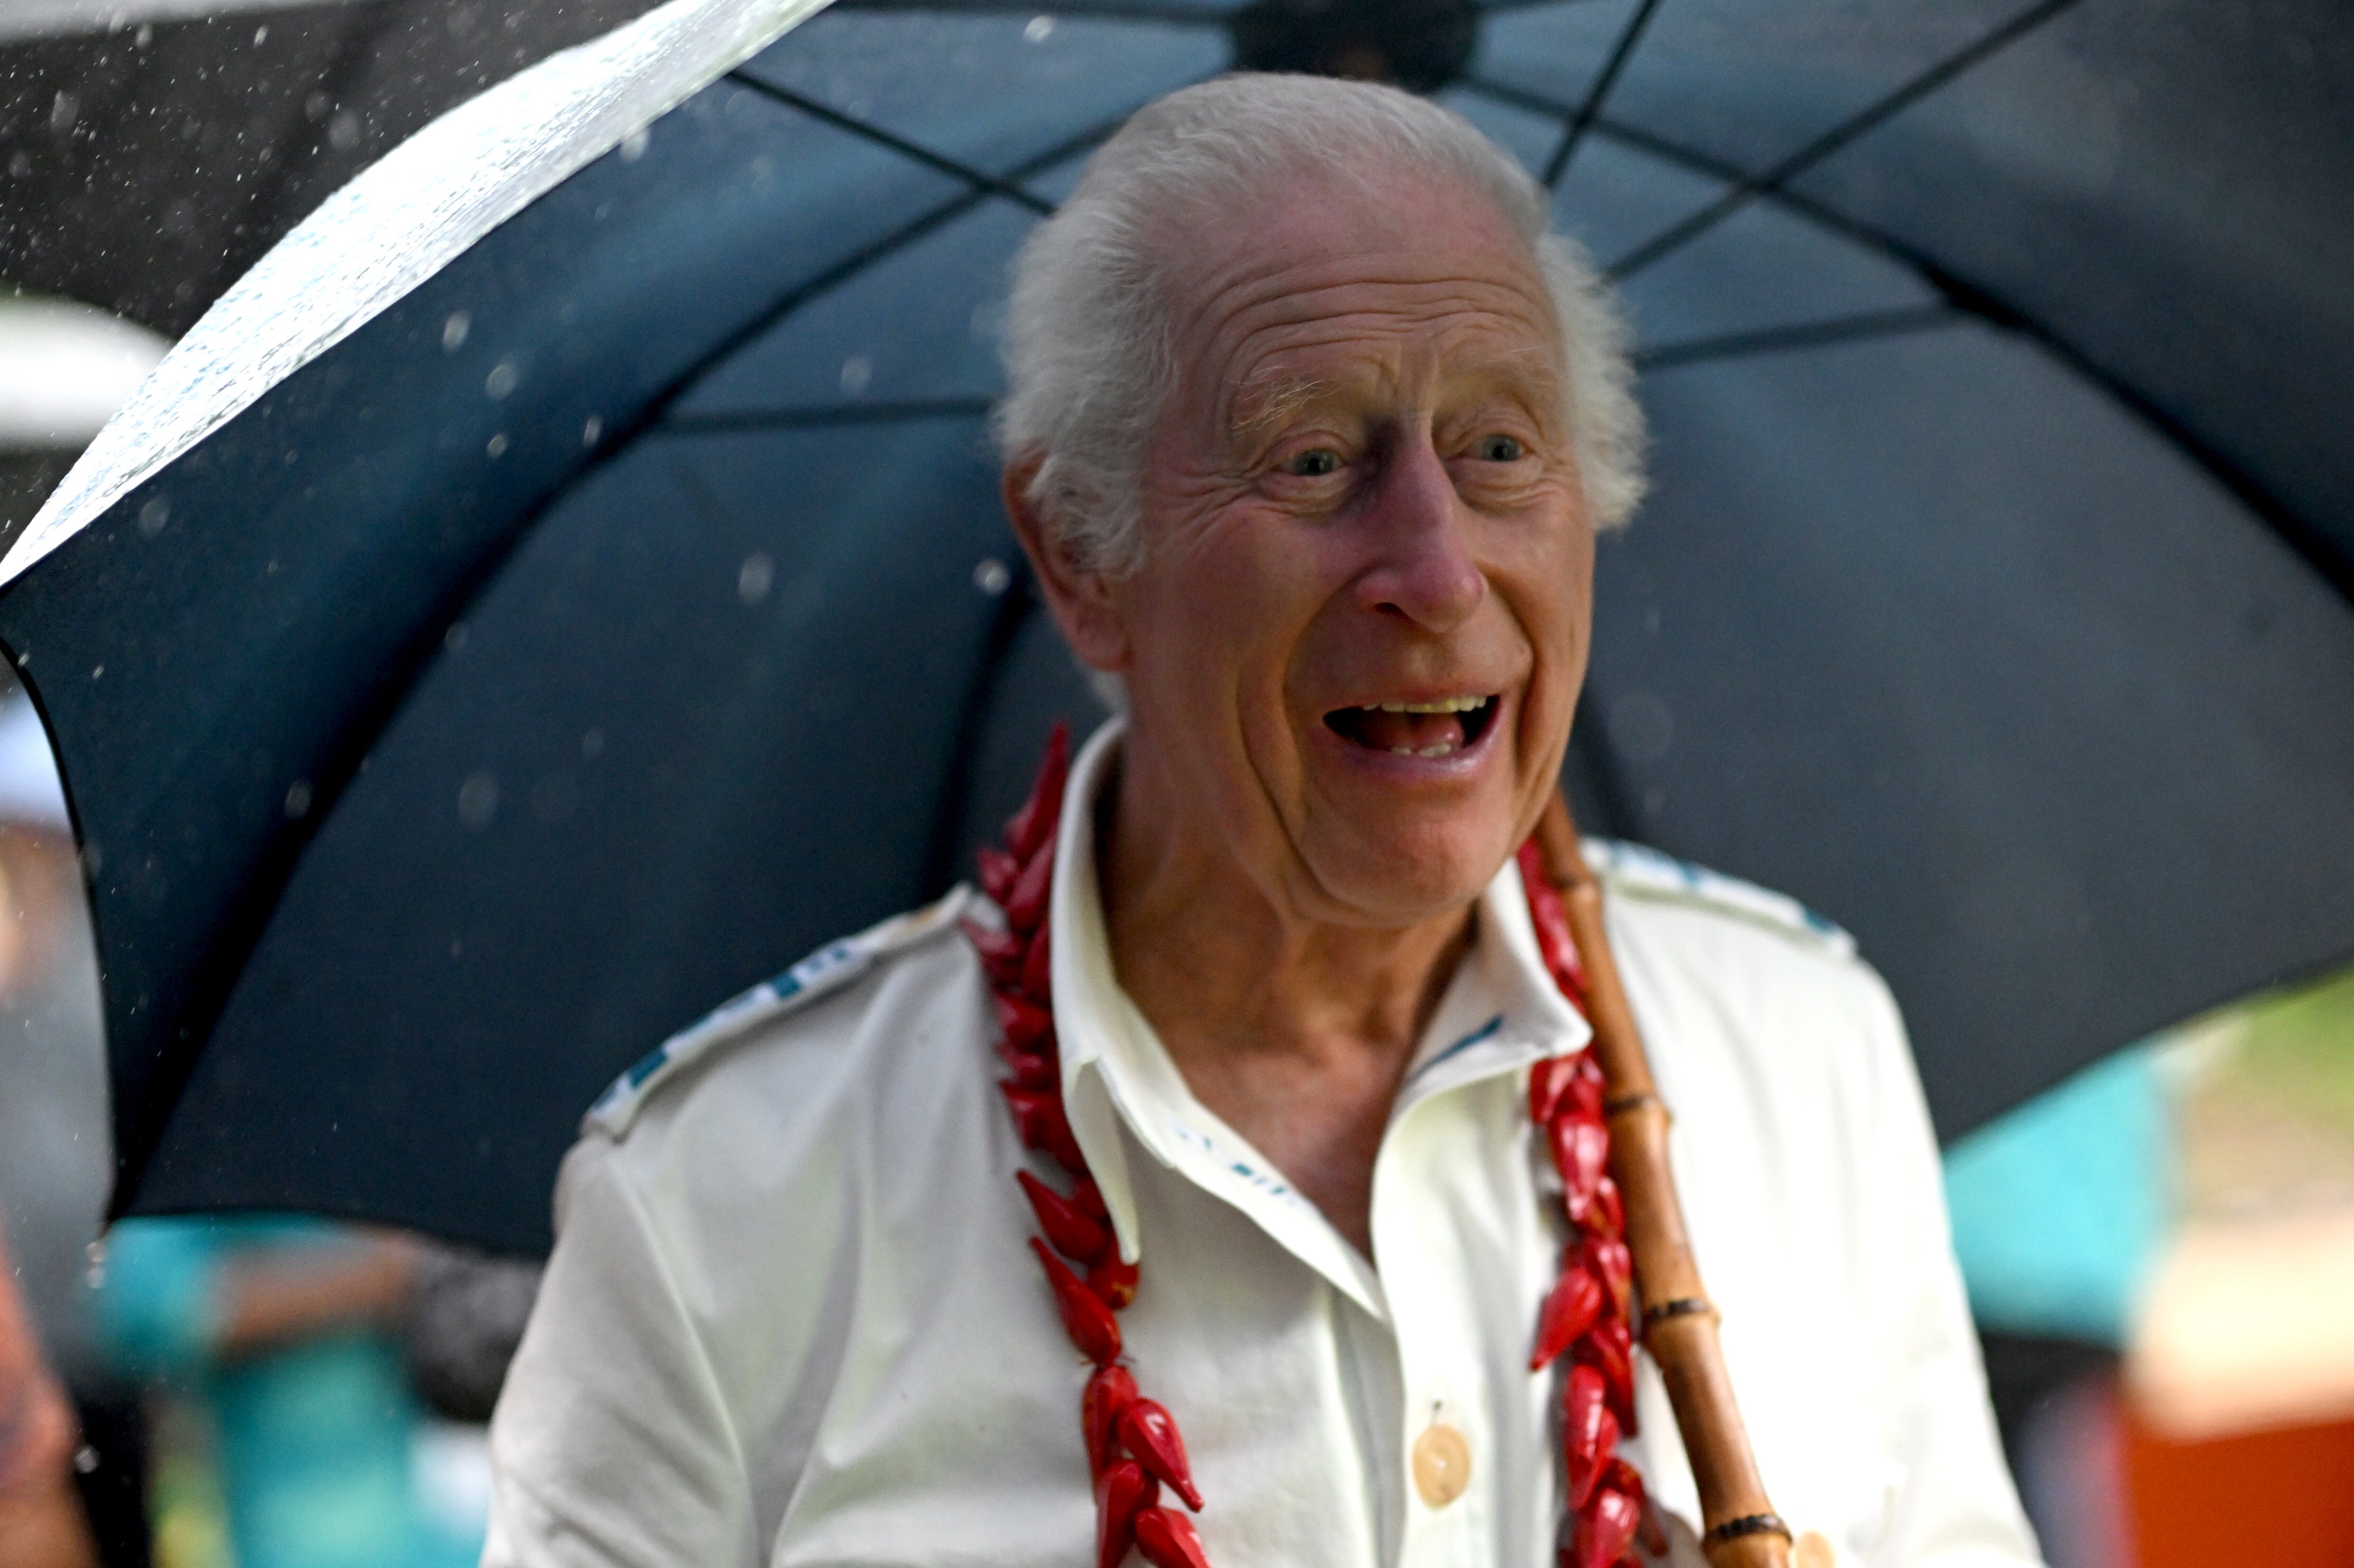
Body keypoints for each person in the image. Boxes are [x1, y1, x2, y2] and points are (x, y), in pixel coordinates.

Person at [483, 75, 2037, 1567]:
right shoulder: (714, 1220)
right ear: (1084, 553)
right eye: (1312, 458)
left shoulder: (1799, 1049)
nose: (1435, 572)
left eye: (1499, 446)